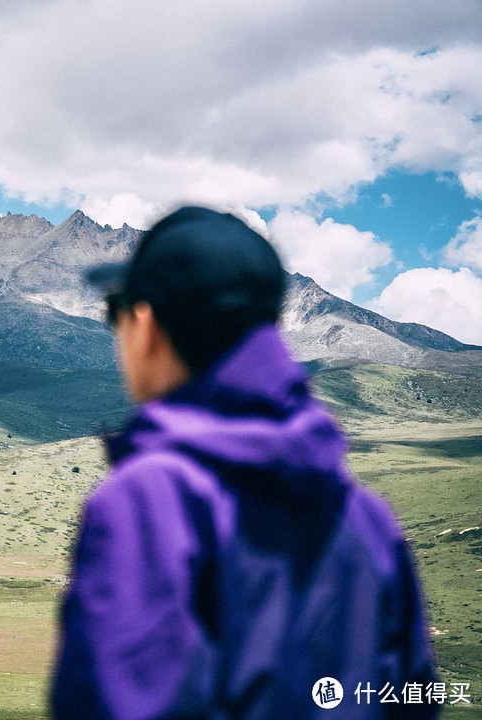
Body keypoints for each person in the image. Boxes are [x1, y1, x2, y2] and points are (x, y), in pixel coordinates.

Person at [51, 206, 437, 719]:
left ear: (144, 323)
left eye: (115, 311)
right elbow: (415, 697)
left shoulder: (148, 500)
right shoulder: (367, 516)